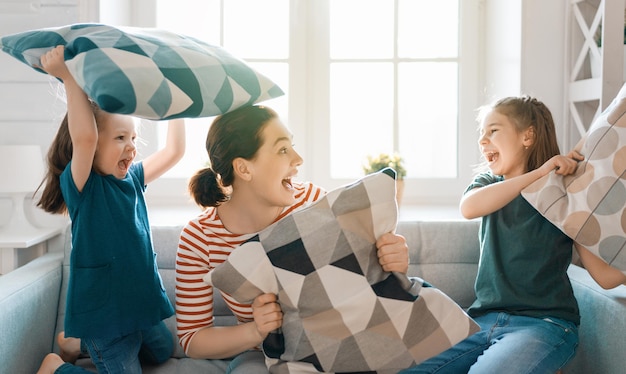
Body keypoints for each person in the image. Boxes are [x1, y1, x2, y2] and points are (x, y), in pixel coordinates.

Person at [175, 105, 410, 373]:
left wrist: (393, 264)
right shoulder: (199, 238)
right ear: (243, 168)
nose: (298, 159)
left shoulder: (312, 202)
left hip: (341, 344)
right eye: (283, 149)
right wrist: (256, 330)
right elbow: (192, 339)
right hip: (264, 356)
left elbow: (363, 287)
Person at [401, 95, 592, 374]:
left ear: (528, 136)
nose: (482, 141)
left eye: (493, 130)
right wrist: (540, 173)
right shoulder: (487, 184)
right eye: (482, 134)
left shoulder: (563, 192)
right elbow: (469, 207)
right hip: (481, 323)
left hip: (545, 325)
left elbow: (605, 277)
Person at [35, 45, 186, 374]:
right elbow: (85, 137)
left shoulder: (132, 177)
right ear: (93, 144)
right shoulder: (82, 187)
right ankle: (54, 367)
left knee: (163, 350)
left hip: (139, 307)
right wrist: (68, 78)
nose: (131, 146)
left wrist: (178, 105)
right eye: (120, 137)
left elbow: (174, 152)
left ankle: (74, 344)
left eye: (133, 137)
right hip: (105, 319)